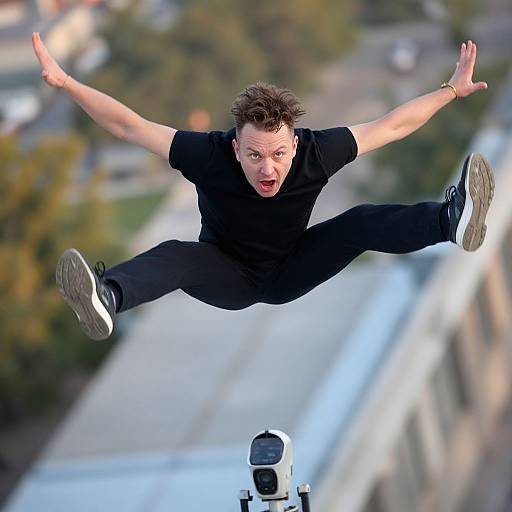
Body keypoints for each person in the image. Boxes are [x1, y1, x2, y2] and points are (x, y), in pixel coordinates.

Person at [32, 32, 494, 341]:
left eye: (277, 154)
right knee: (177, 253)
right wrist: (66, 81)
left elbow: (391, 127)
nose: (267, 169)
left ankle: (451, 221)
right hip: (226, 275)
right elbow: (128, 127)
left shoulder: (318, 151)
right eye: (254, 156)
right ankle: (107, 298)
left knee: (359, 221)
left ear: (294, 144)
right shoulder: (208, 155)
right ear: (235, 149)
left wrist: (450, 90)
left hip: (292, 266)